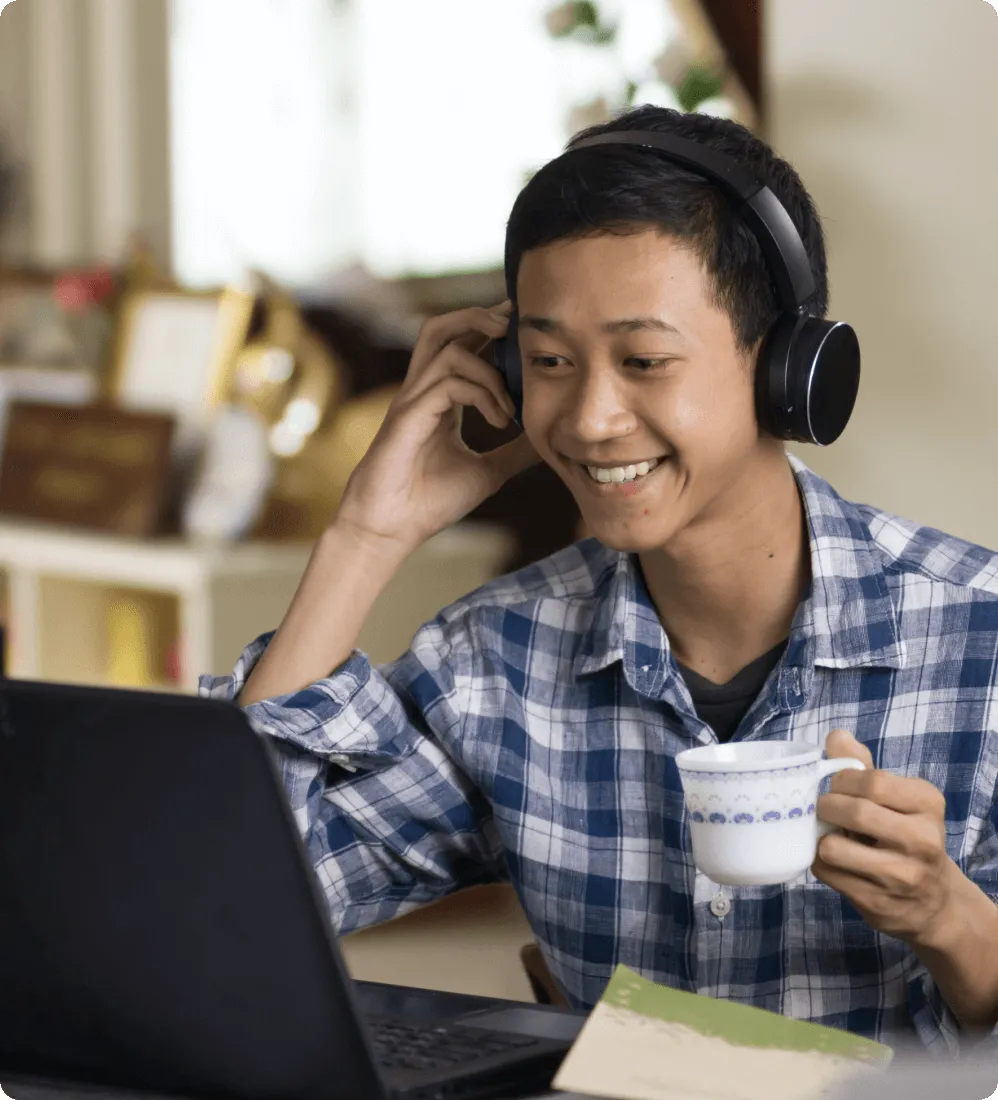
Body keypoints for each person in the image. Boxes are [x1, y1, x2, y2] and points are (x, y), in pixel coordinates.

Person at [201, 106, 998, 1053]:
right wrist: (368, 532)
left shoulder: (980, 644)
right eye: (547, 362)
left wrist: (955, 921)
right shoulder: (495, 662)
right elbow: (225, 904)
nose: (589, 418)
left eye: (645, 360)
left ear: (790, 370)